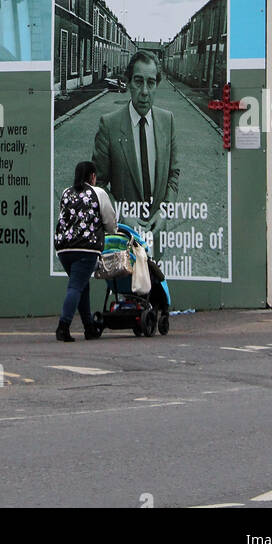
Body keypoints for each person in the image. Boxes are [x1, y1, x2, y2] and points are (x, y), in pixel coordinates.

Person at [93, 50, 179, 230]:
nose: (145, 92)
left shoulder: (168, 121)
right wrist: (122, 216)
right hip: (123, 236)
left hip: (156, 234)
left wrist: (164, 211)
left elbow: (173, 174)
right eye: (139, 82)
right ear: (128, 82)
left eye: (151, 83)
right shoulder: (109, 125)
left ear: (157, 85)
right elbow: (97, 184)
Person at [53, 159, 116, 341]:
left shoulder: (66, 193)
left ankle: (89, 327)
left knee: (81, 285)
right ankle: (63, 327)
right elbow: (110, 221)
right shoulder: (98, 192)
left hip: (64, 249)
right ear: (93, 176)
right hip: (86, 249)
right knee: (75, 287)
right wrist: (111, 230)